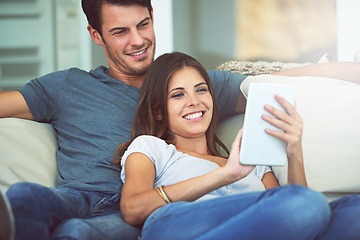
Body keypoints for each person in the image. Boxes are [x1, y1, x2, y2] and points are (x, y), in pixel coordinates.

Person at [0, 0, 359, 239]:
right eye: (120, 31)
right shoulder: (68, 88)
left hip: (138, 213)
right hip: (92, 198)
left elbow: (294, 75)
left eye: (143, 24)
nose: (138, 40)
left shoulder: (200, 80)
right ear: (96, 35)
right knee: (28, 198)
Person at [117, 52, 360, 240]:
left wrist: (294, 152)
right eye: (178, 95)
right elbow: (133, 208)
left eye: (201, 90)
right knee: (310, 204)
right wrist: (225, 175)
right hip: (177, 225)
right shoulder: (151, 147)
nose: (194, 101)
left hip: (254, 229)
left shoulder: (249, 157)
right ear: (159, 111)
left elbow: (289, 208)